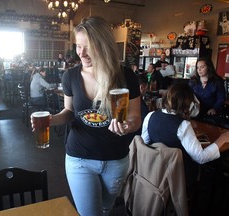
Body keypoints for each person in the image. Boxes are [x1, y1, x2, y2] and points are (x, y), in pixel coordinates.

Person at [31, 16, 141, 216]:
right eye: (78, 46)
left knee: (106, 208)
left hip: (116, 158)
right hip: (79, 157)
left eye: (88, 46)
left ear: (104, 45)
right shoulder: (70, 76)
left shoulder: (126, 76)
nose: (81, 53)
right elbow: (69, 112)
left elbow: (135, 118)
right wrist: (51, 120)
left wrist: (128, 126)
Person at [141, 83, 229, 214]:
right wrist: (221, 139)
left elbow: (145, 143)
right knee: (208, 172)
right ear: (186, 103)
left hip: (153, 171)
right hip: (179, 177)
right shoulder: (183, 126)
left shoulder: (150, 116)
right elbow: (201, 157)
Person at [188, 57, 226, 125]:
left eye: (202, 67)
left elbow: (221, 98)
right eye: (197, 67)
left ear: (208, 67)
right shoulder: (193, 81)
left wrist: (214, 108)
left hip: (211, 114)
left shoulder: (217, 81)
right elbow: (188, 95)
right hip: (195, 112)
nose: (199, 70)